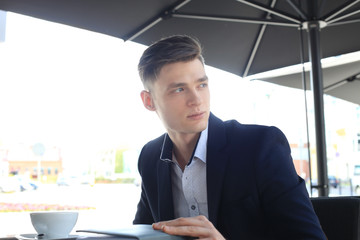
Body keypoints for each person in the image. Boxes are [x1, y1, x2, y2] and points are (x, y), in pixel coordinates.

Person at [133, 35, 326, 239]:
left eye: (201, 85)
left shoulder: (260, 146)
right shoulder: (150, 157)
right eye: (179, 89)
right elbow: (143, 232)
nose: (196, 100)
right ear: (149, 101)